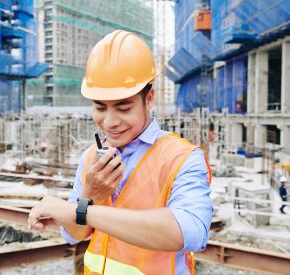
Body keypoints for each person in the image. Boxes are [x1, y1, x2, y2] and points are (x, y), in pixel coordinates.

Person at [28, 30, 213, 275]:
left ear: (149, 99)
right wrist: (89, 196)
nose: (110, 121)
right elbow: (75, 233)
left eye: (124, 108)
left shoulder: (181, 158)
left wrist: (79, 210)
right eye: (100, 107)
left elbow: (189, 232)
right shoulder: (91, 156)